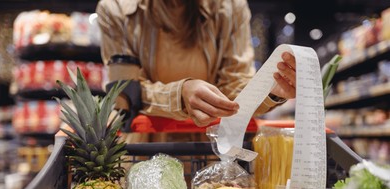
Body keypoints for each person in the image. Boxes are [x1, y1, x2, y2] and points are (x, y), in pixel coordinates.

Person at [96, 0, 296, 135]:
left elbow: (235, 86)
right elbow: (124, 93)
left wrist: (269, 90)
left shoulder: (231, 7)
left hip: (210, 150)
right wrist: (179, 96)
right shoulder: (115, 8)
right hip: (144, 149)